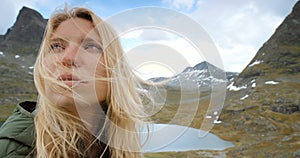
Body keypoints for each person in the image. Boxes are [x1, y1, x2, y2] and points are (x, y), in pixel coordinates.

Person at [0, 6, 149, 158]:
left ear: (116, 68)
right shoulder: (11, 150)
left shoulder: (116, 145)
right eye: (56, 46)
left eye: (90, 46)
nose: (67, 58)